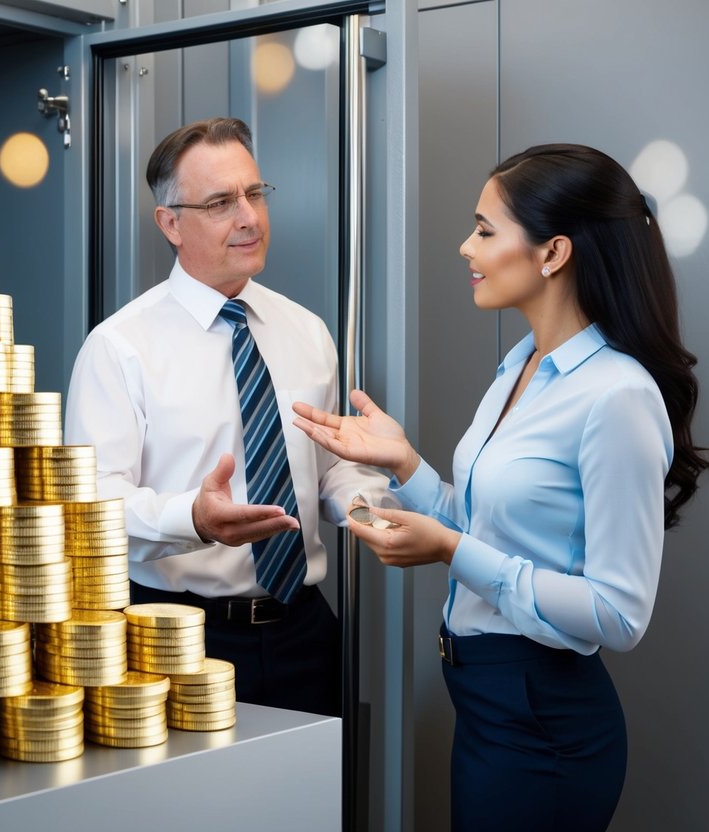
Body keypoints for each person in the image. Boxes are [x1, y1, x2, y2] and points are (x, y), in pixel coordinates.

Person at [293, 143, 707, 831]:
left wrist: (453, 551)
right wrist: (404, 465)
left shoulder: (615, 396)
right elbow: (489, 525)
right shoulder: (520, 365)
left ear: (552, 254)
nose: (465, 247)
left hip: (542, 720)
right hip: (485, 701)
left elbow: (618, 614)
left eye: (485, 230)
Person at [64, 117, 390, 715]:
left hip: (306, 632)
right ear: (170, 223)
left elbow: (325, 472)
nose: (250, 218)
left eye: (254, 193)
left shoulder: (306, 330)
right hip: (178, 637)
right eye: (220, 202)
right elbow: (90, 504)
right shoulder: (119, 347)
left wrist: (368, 509)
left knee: (313, 807)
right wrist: (194, 516)